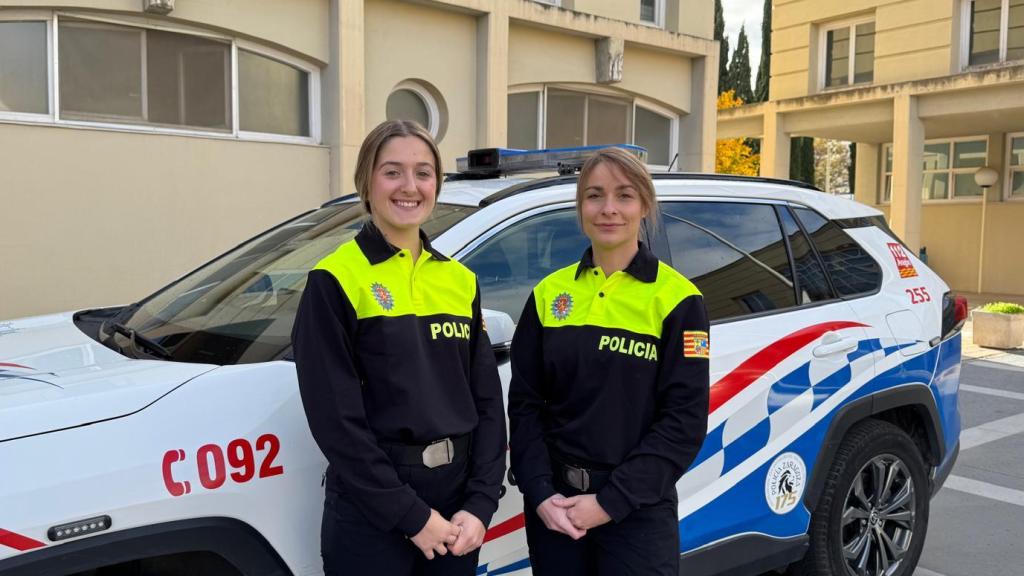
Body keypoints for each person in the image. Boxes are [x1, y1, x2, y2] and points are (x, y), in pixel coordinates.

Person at [291, 120, 506, 576]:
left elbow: (486, 401)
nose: (410, 186)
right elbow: (336, 422)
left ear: (436, 184)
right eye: (392, 172)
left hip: (456, 508)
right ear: (366, 182)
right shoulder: (335, 280)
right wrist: (412, 518)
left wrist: (481, 503)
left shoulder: (459, 280)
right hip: (373, 512)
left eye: (423, 173)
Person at [508, 147, 710, 575]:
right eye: (594, 195)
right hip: (556, 510)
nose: (608, 209)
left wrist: (608, 503)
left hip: (636, 510)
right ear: (580, 207)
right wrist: (540, 493)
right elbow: (525, 406)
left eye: (625, 195)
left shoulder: (678, 300)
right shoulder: (548, 295)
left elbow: (683, 423)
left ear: (645, 206)